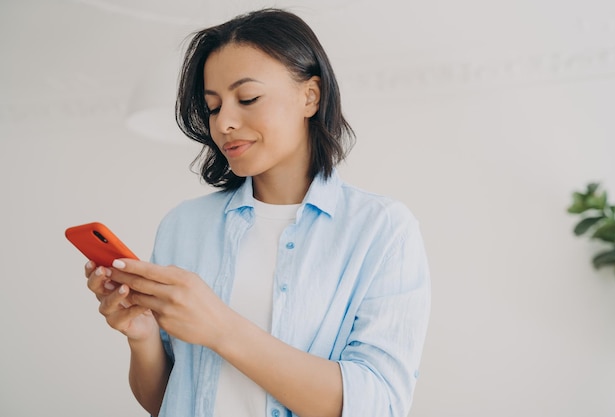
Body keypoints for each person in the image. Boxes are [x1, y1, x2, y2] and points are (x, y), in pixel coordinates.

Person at [84, 8, 430, 417]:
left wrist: (221, 329)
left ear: (310, 96)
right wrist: (140, 336)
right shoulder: (183, 226)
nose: (224, 122)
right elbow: (168, 402)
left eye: (247, 98)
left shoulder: (381, 230)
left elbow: (377, 405)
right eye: (213, 107)